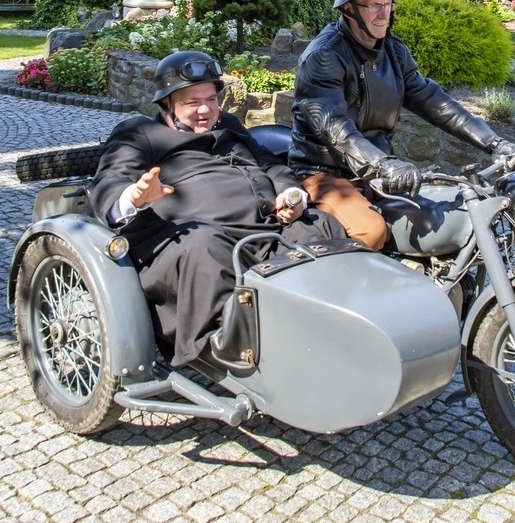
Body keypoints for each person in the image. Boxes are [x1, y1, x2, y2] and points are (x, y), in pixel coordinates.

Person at [89, 50, 344, 367]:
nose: (205, 110)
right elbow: (108, 181)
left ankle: (337, 324)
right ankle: (225, 349)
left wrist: (290, 193)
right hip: (197, 245)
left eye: (210, 99)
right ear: (167, 104)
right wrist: (135, 195)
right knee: (206, 246)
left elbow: (269, 162)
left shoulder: (230, 125)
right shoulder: (140, 133)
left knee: (321, 225)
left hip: (265, 231)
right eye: (192, 102)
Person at [288, 0, 515, 250]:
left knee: (448, 221)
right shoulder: (324, 57)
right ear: (348, 9)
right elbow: (335, 128)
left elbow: (434, 101)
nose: (384, 13)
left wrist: (494, 142)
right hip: (324, 171)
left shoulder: (393, 51)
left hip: (377, 170)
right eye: (374, 5)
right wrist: (384, 163)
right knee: (371, 232)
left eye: (388, 3)